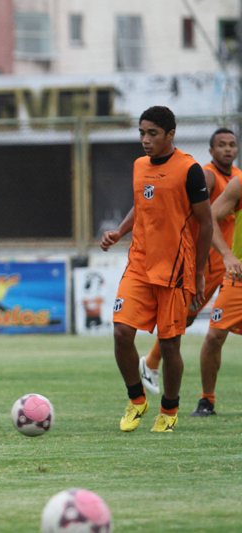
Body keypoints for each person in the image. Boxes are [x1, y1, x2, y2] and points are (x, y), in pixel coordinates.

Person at [100, 106, 212, 433]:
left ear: (170, 134)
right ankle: (137, 400)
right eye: (141, 133)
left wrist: (199, 273)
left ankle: (169, 409)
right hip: (139, 264)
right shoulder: (139, 166)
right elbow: (142, 203)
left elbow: (206, 223)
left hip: (175, 269)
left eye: (153, 133)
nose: (145, 140)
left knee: (169, 345)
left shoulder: (189, 169)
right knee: (121, 333)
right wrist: (120, 231)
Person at [138, 129, 238, 399]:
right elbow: (199, 216)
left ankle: (152, 362)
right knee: (183, 317)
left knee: (189, 318)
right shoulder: (208, 175)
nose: (227, 149)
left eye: (232, 144)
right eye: (221, 145)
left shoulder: (236, 178)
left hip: (226, 266)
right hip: (207, 261)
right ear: (211, 151)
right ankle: (151, 362)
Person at [188, 161, 242, 416]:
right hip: (239, 278)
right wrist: (227, 254)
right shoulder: (239, 184)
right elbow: (209, 217)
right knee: (213, 337)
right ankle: (207, 400)